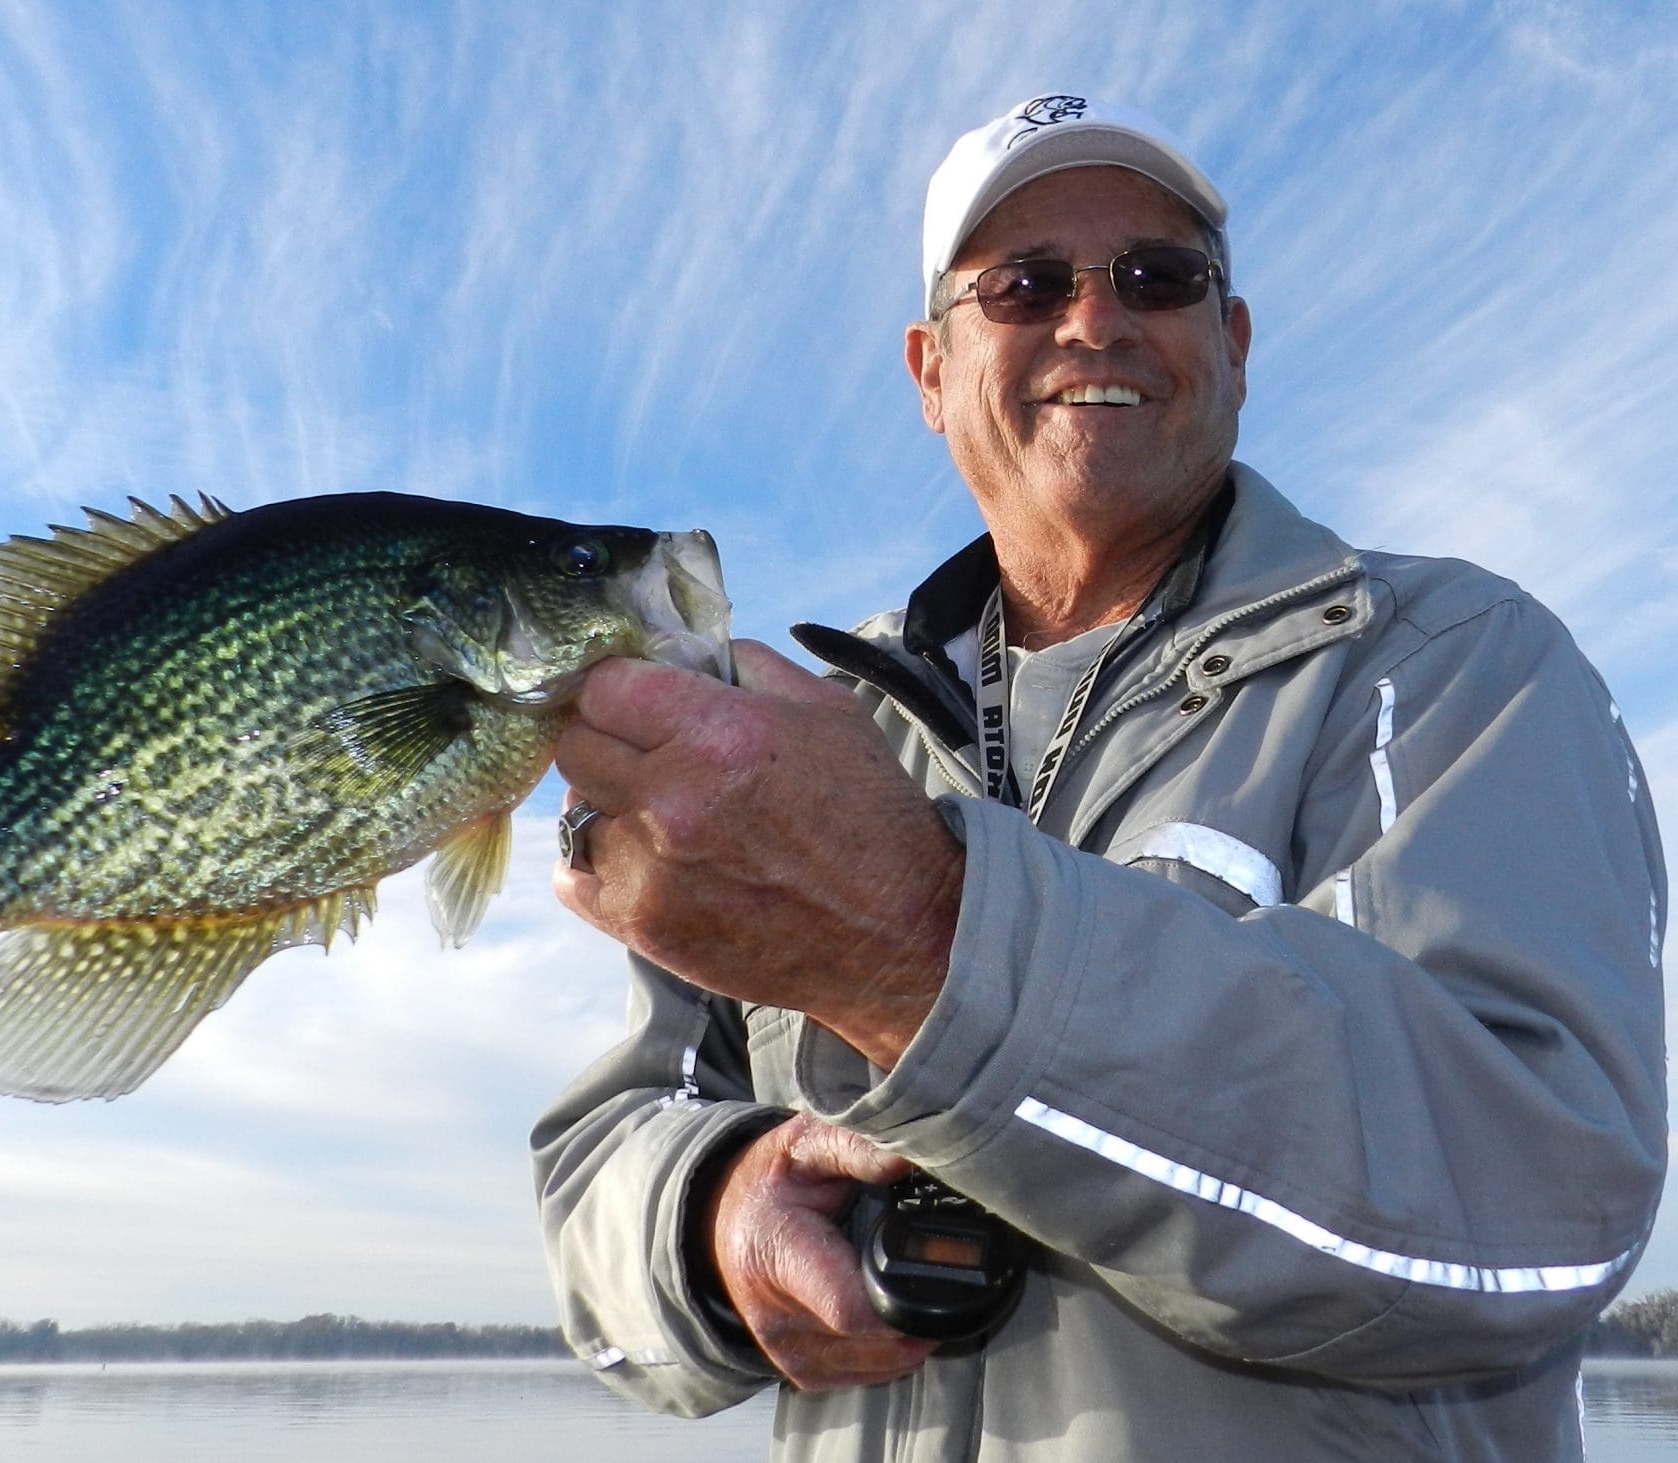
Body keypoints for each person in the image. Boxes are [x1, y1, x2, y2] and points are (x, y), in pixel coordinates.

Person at [531, 92, 1667, 1461]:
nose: (1094, 319)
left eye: (1160, 278)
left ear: (1232, 347)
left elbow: (1534, 1218)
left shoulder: (1452, 671)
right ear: (929, 372)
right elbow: (607, 1171)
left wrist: (921, 941)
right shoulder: (802, 753)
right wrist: (714, 1212)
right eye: (1023, 284)